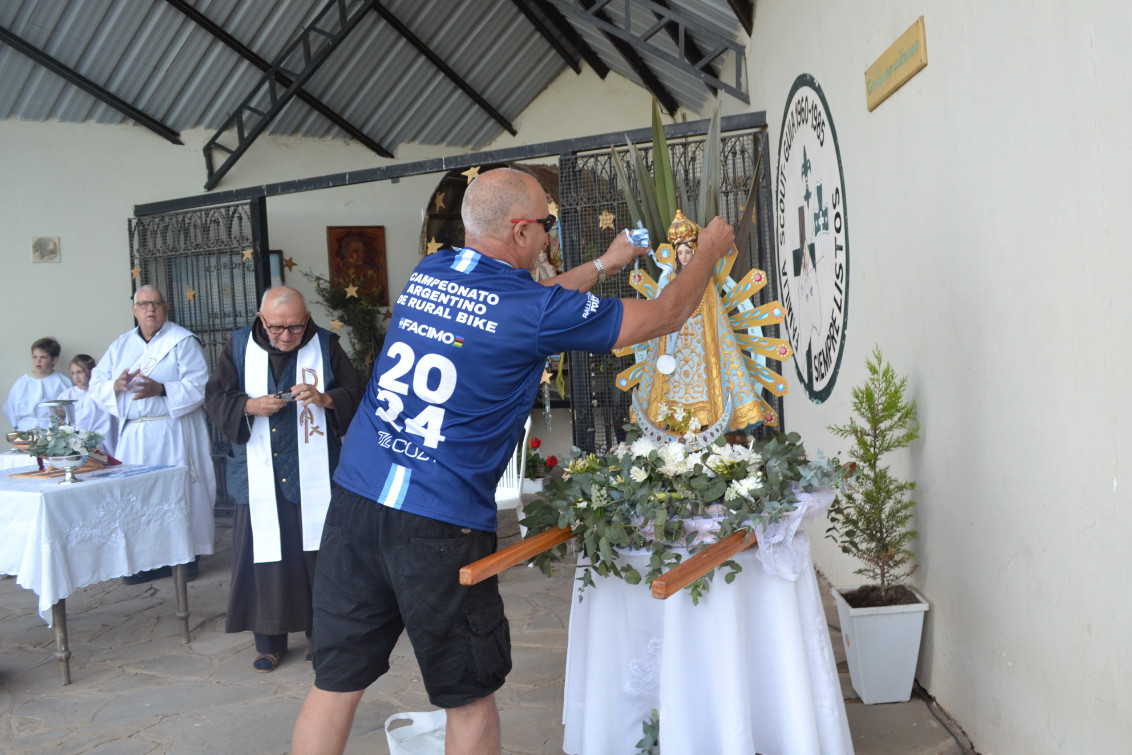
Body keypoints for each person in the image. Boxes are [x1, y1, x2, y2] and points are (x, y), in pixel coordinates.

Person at [291, 167, 735, 755]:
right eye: (547, 227)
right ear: (521, 230)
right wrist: (707, 253)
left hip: (356, 503)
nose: (550, 239)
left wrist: (605, 264)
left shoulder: (431, 274)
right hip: (438, 524)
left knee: (335, 683)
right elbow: (667, 315)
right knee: (467, 698)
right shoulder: (527, 309)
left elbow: (534, 307)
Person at [204, 286, 364, 673]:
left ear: (307, 319)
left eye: (295, 327)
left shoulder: (326, 345)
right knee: (264, 558)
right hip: (259, 474)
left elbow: (357, 393)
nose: (287, 336)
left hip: (313, 476)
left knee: (316, 557)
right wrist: (248, 405)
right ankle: (268, 641)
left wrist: (326, 399)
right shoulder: (239, 346)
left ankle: (318, 635)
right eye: (277, 328)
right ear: (262, 320)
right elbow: (215, 397)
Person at [88, 285, 216, 583]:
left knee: (176, 493)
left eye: (156, 304)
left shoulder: (182, 341)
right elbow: (97, 383)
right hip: (135, 434)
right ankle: (145, 560)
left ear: (166, 308)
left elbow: (200, 385)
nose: (150, 309)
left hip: (172, 430)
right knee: (138, 496)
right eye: (144, 304)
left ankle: (185, 558)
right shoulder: (120, 345)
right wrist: (114, 387)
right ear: (134, 310)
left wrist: (161, 389)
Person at [636, 209, 766, 437]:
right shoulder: (669, 280)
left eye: (688, 252)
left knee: (702, 388)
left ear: (695, 251)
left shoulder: (704, 282)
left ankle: (706, 422)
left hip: (700, 347)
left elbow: (715, 317)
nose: (684, 257)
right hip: (673, 345)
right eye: (681, 253)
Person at [4, 337, 72, 432]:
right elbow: (9, 407)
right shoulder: (22, 382)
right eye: (35, 357)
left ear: (54, 360)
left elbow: (71, 409)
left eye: (43, 357)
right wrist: (16, 427)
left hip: (53, 430)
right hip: (26, 429)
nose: (38, 361)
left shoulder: (62, 382)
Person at [57, 354, 118, 456]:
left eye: (79, 372)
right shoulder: (66, 395)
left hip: (100, 442)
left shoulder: (100, 393)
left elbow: (107, 422)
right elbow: (62, 420)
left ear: (91, 371)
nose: (76, 377)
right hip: (75, 443)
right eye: (73, 373)